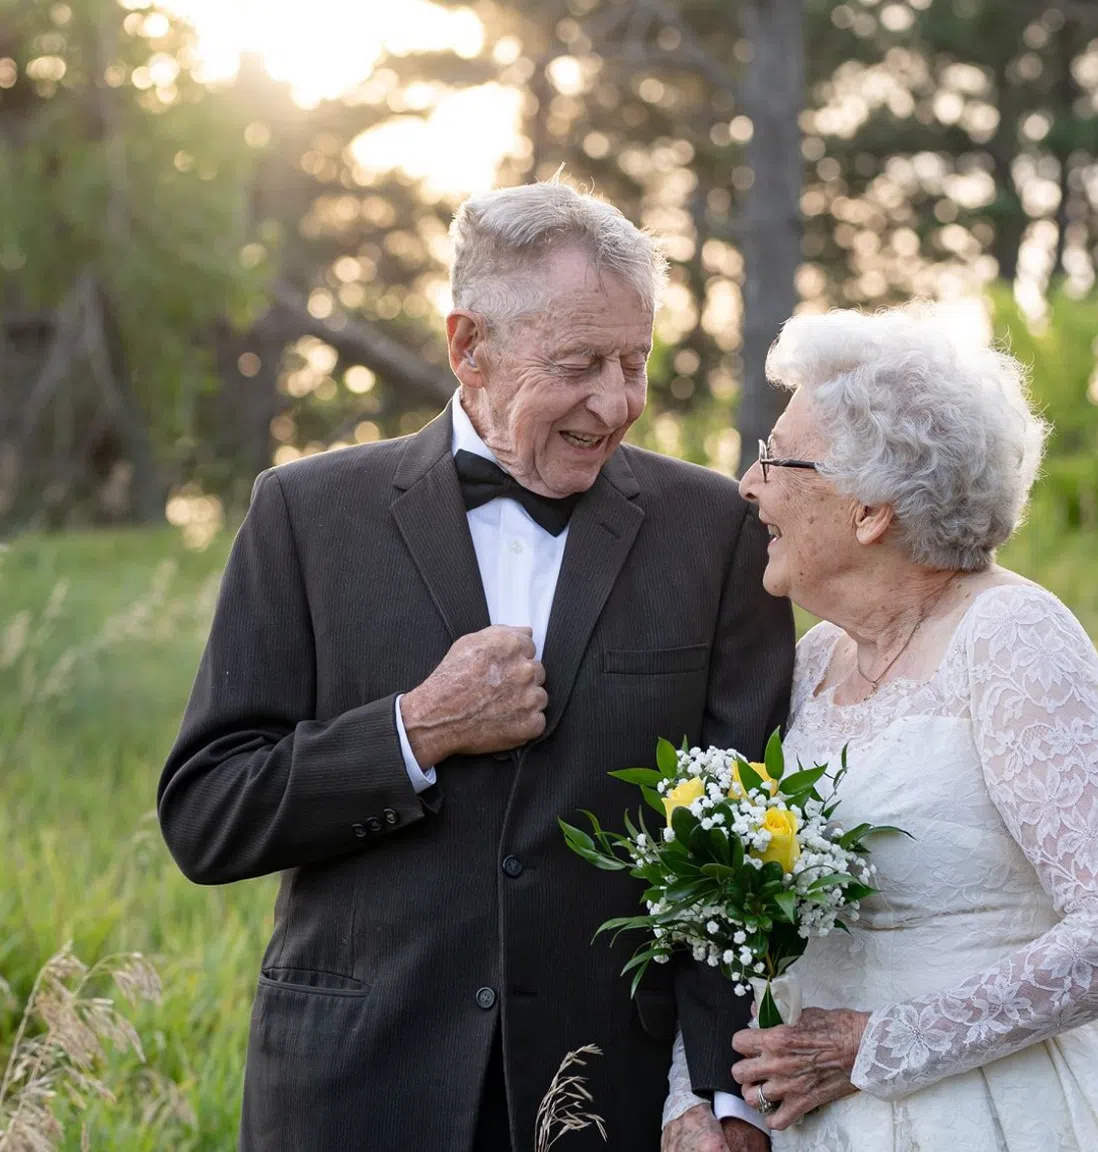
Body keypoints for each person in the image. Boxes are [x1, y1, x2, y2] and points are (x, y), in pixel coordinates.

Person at [158, 181, 792, 1152]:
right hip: (355, 1090)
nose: (617, 402)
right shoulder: (306, 517)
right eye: (579, 365)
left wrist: (717, 1092)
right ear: (468, 346)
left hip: (611, 1100)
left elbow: (739, 841)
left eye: (636, 362)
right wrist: (416, 730)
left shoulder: (715, 533)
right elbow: (207, 813)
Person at [703, 304, 1098, 1150]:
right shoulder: (812, 662)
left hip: (999, 1109)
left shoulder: (1012, 636)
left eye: (776, 459)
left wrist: (879, 1046)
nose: (749, 486)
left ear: (869, 510)